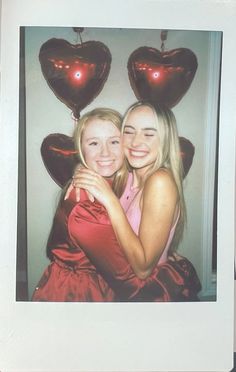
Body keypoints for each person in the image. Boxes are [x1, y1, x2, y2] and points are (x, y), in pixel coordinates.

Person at [63, 102, 201, 301]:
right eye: (129, 132)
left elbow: (144, 268)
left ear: (164, 139)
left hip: (148, 293)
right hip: (121, 284)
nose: (136, 142)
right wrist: (80, 170)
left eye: (149, 133)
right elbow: (98, 160)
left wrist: (111, 201)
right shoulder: (128, 174)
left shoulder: (160, 181)